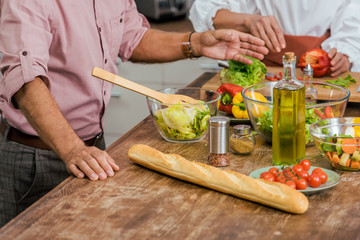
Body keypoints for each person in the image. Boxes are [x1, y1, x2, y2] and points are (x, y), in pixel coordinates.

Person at [0, 1, 268, 227]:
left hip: (94, 151)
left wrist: (196, 43)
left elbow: (133, 38)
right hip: (36, 158)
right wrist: (73, 149)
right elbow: (25, 79)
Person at [189, 0, 360, 76]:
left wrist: (344, 55)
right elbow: (204, 9)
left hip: (323, 76)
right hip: (262, 74)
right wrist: (248, 20)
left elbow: (353, 20)